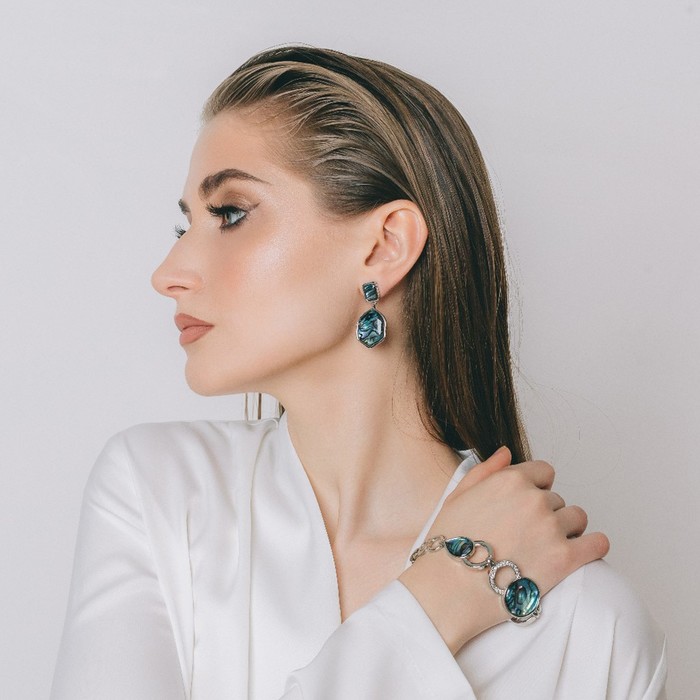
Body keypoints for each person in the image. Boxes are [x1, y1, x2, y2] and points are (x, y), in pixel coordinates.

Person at [50, 46, 667, 699]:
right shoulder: (159, 495)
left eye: (229, 214)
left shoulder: (590, 627)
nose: (168, 273)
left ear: (384, 246)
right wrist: (433, 602)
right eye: (186, 226)